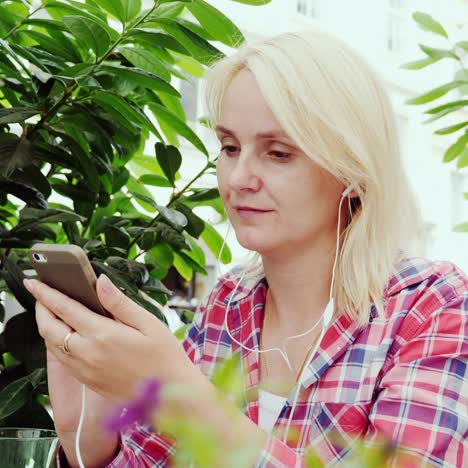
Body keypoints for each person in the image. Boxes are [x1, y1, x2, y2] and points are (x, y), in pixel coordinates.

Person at [24, 28, 467, 467]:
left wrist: (182, 397)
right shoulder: (226, 306)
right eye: (230, 147)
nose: (238, 178)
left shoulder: (431, 307)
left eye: (278, 153)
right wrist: (90, 439)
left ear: (352, 170)